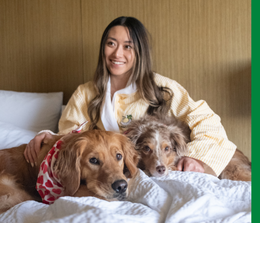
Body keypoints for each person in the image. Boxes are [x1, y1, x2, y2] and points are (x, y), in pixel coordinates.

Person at [24, 16, 236, 177]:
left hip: (159, 170)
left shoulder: (163, 88)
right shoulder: (85, 93)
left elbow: (207, 121)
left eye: (127, 46)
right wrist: (50, 136)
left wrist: (195, 157)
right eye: (111, 44)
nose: (117, 54)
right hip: (112, 174)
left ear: (140, 52)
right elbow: (72, 138)